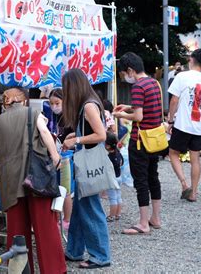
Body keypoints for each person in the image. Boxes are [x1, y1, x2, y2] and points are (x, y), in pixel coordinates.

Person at [0, 87, 66, 273]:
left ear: (5, 103)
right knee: (45, 228)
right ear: (23, 101)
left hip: (11, 183)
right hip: (36, 178)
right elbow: (45, 134)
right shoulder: (33, 113)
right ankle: (53, 270)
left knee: (16, 230)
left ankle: (19, 269)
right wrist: (55, 156)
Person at [61, 69, 111, 269]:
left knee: (91, 209)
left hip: (88, 165)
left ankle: (100, 255)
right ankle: (73, 251)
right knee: (80, 210)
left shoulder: (88, 105)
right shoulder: (89, 103)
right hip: (86, 163)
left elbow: (101, 135)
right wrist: (74, 136)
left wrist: (77, 140)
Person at [113, 52, 163, 235]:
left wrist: (121, 115)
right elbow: (147, 106)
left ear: (131, 70)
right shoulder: (153, 82)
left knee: (141, 181)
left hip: (140, 141)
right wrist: (127, 107)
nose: (126, 77)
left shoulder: (138, 87)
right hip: (155, 140)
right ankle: (156, 218)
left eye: (125, 73)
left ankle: (143, 223)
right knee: (153, 178)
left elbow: (138, 116)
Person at [167, 49, 201, 202]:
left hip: (182, 124)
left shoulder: (182, 76)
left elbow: (174, 100)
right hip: (199, 126)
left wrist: (170, 120)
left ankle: (184, 184)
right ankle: (193, 193)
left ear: (192, 59)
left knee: (173, 153)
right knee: (195, 159)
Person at [47, 88, 73, 232]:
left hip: (67, 156)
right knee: (60, 189)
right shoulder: (59, 116)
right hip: (60, 154)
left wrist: (70, 138)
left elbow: (78, 132)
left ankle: (67, 220)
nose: (54, 106)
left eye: (57, 103)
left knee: (66, 190)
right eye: (51, 103)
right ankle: (59, 219)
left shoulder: (71, 115)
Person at [105, 132, 123, 222]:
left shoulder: (109, 157)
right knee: (118, 196)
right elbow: (122, 162)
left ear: (108, 146)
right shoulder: (118, 152)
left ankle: (111, 215)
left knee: (112, 198)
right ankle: (118, 214)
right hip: (119, 177)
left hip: (112, 179)